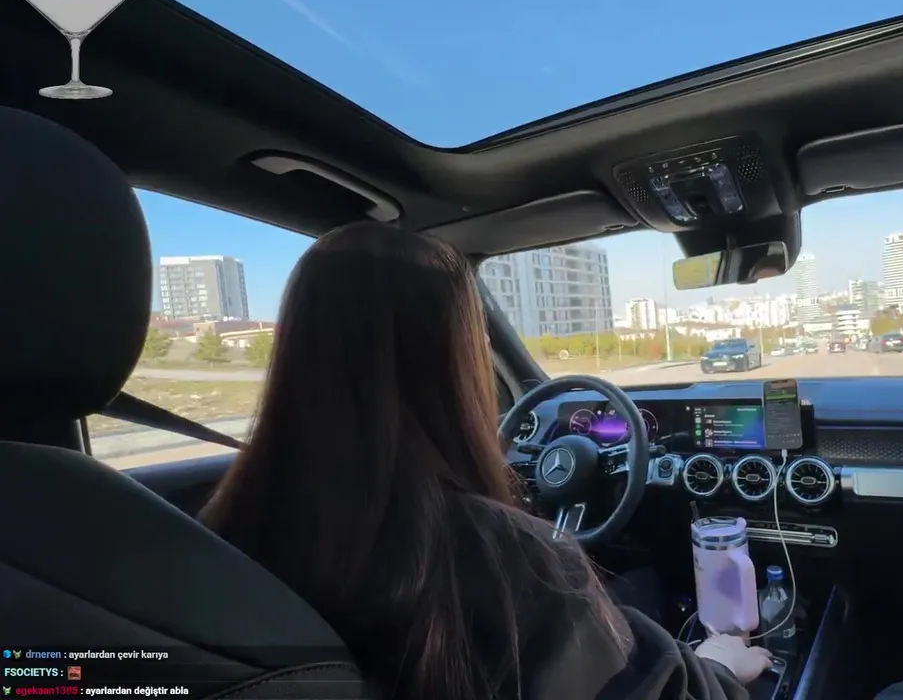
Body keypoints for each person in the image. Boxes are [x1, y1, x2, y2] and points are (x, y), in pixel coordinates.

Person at [199, 222, 773, 700]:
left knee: (639, 587)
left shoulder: (219, 536)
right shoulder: (512, 560)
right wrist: (717, 668)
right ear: (459, 360)